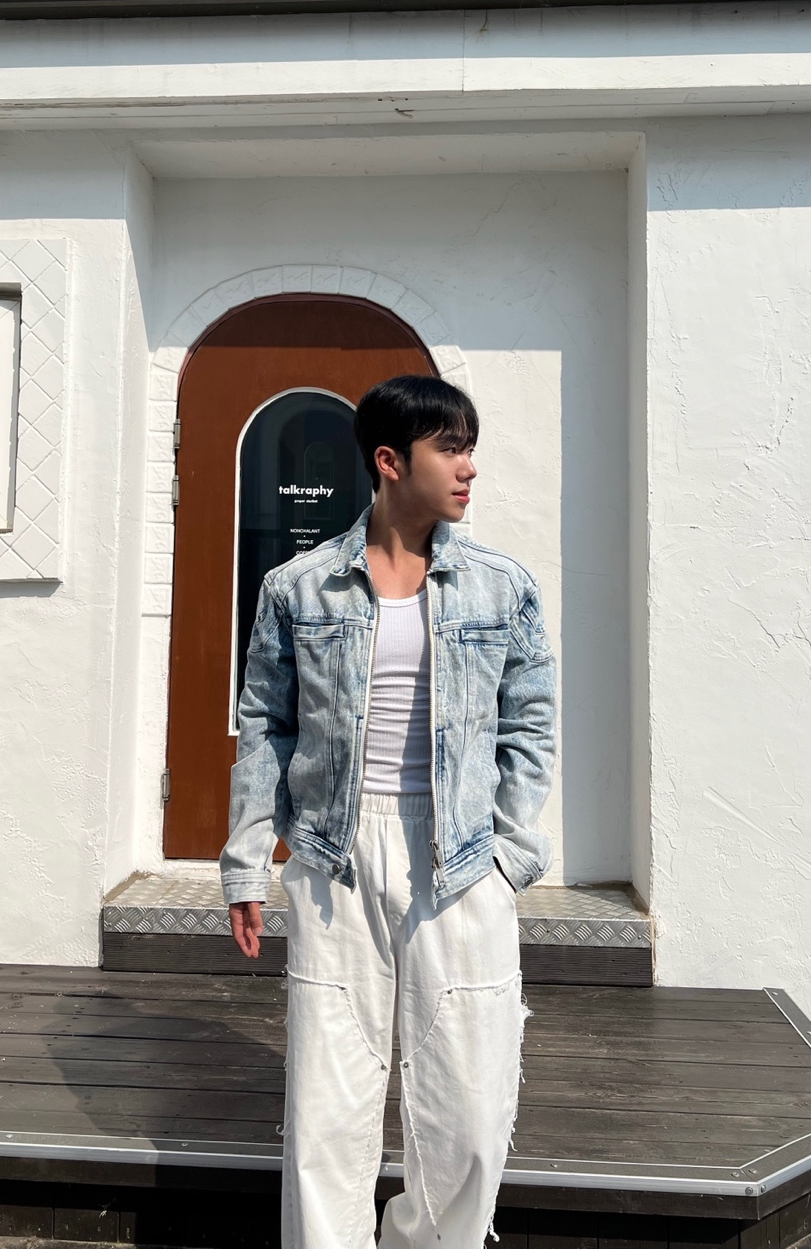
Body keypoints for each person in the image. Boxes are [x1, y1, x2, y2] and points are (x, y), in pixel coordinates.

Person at [220, 374, 557, 1249]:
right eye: (451, 449)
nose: (469, 468)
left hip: (461, 855)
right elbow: (265, 727)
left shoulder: (502, 588)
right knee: (328, 1110)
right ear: (390, 461)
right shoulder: (298, 587)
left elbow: (530, 726)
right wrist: (248, 862)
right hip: (335, 854)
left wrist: (509, 855)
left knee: (470, 1113)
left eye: (470, 448)